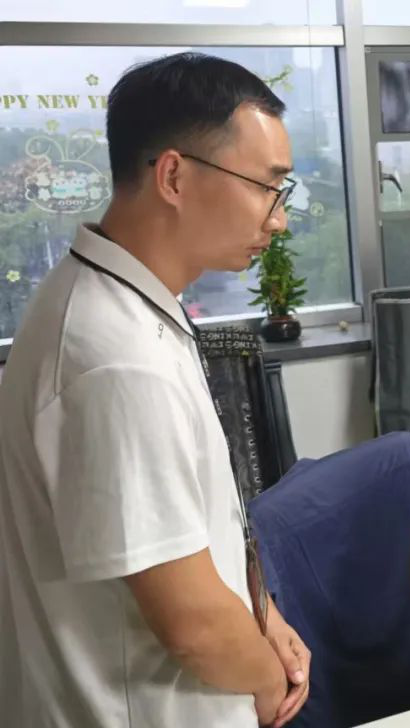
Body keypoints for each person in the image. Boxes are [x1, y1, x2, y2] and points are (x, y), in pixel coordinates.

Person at [0, 53, 310, 727]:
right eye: (267, 186)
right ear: (174, 176)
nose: (278, 218)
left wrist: (261, 615)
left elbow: (186, 527)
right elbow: (191, 624)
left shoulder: (117, 299)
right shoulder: (117, 358)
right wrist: (266, 680)